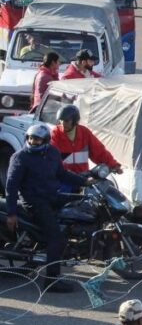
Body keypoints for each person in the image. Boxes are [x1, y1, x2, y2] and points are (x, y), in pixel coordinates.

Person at [6, 124, 86, 292]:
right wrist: (11, 213)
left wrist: (85, 181)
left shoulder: (52, 153)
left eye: (37, 139)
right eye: (30, 138)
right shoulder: (20, 157)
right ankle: (51, 281)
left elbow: (62, 174)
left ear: (46, 140)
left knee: (82, 204)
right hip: (34, 202)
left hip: (52, 196)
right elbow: (11, 187)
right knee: (56, 238)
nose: (33, 142)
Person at [51, 105, 122, 178]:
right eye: (61, 120)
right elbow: (50, 156)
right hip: (64, 179)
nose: (62, 123)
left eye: (66, 121)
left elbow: (99, 151)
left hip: (83, 178)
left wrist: (113, 165)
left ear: (75, 120)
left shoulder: (84, 133)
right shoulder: (55, 134)